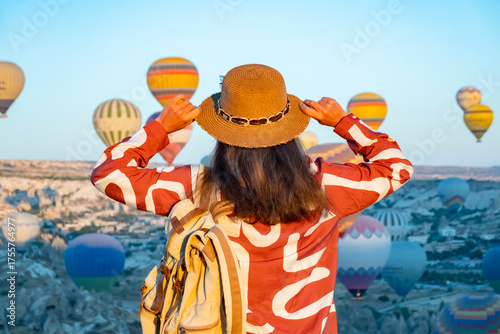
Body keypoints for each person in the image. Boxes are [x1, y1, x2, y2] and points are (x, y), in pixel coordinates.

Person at [91, 64, 413, 333]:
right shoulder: (325, 185)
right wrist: (343, 123)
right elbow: (397, 168)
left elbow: (108, 174)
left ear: (222, 132)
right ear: (289, 130)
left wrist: (161, 127)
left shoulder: (199, 186)